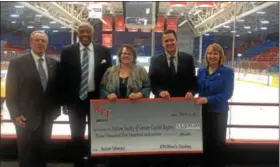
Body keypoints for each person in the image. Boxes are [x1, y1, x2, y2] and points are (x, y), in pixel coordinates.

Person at [55, 22, 112, 167]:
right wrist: (64, 102)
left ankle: (95, 161)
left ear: (93, 34)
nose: (85, 35)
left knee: (97, 132)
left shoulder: (104, 51)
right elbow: (63, 78)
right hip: (75, 100)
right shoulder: (67, 51)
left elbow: (109, 76)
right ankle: (78, 163)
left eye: (88, 32)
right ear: (77, 34)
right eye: (82, 32)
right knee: (76, 135)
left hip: (96, 99)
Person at [5, 31, 60, 167]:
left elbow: (56, 90)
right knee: (26, 156)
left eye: (43, 41)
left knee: (43, 156)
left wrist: (56, 111)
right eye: (37, 40)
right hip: (25, 119)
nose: (40, 43)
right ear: (30, 42)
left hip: (47, 118)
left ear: (47, 44)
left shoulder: (54, 64)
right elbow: (10, 92)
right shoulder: (17, 63)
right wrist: (15, 115)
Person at [196, 43, 234, 167]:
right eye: (210, 53)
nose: (212, 56)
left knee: (218, 142)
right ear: (206, 55)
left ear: (220, 56)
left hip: (219, 112)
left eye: (215, 53)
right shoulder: (201, 71)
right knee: (204, 141)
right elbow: (197, 88)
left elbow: (227, 94)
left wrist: (208, 99)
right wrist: (190, 93)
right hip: (203, 112)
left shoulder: (227, 72)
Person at [149, 29, 197, 99]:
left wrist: (191, 92)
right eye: (166, 41)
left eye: (172, 40)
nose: (169, 43)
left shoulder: (188, 59)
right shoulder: (155, 60)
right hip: (162, 102)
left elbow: (193, 80)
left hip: (183, 101)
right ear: (162, 44)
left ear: (176, 41)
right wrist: (160, 92)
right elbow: (152, 81)